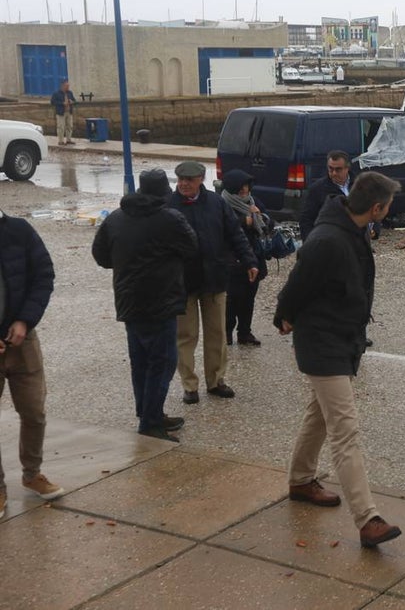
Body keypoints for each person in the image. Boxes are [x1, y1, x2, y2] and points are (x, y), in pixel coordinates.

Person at [274, 172, 404, 548]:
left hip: (342, 339)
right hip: (322, 343)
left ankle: (300, 480)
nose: (390, 209)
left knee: (319, 414)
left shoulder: (354, 228)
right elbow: (297, 284)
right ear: (377, 208)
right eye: (389, 205)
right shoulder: (327, 239)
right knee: (345, 430)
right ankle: (368, 519)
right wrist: (283, 315)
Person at [92, 169, 199, 442]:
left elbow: (101, 255)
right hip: (160, 302)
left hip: (129, 301)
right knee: (162, 362)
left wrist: (127, 261)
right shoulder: (170, 219)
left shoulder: (116, 218)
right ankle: (151, 422)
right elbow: (191, 248)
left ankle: (148, 412)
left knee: (140, 361)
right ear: (164, 193)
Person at [170, 160, 258, 404]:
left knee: (217, 334)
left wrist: (250, 260)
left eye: (189, 180)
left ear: (200, 180)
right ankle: (190, 385)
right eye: (181, 180)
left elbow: (235, 234)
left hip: (215, 278)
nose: (184, 184)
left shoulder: (216, 203)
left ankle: (216, 381)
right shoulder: (168, 206)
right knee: (186, 336)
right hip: (183, 283)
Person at [0, 209, 62, 517]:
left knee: (34, 411)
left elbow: (43, 274)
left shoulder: (20, 230)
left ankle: (32, 474)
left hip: (22, 341)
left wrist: (25, 320)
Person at [220, 169, 272, 346]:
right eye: (240, 187)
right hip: (232, 260)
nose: (244, 190)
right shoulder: (222, 204)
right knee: (231, 299)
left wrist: (260, 216)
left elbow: (268, 224)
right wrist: (244, 221)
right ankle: (226, 332)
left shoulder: (253, 202)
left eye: (247, 186)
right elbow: (222, 228)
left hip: (254, 257)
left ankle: (244, 332)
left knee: (248, 298)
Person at [299, 150, 353, 241]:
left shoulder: (360, 185)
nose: (334, 173)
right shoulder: (317, 189)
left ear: (347, 168)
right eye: (331, 169)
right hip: (329, 242)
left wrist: (374, 229)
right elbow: (306, 219)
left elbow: (372, 206)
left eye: (338, 169)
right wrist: (310, 244)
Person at [49, 79, 76, 145]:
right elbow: (52, 102)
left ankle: (68, 139)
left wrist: (72, 102)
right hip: (61, 112)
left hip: (69, 112)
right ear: (62, 86)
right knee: (61, 127)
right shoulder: (56, 93)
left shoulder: (70, 93)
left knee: (69, 126)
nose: (68, 87)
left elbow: (74, 100)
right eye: (66, 86)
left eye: (68, 86)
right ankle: (60, 141)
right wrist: (62, 103)